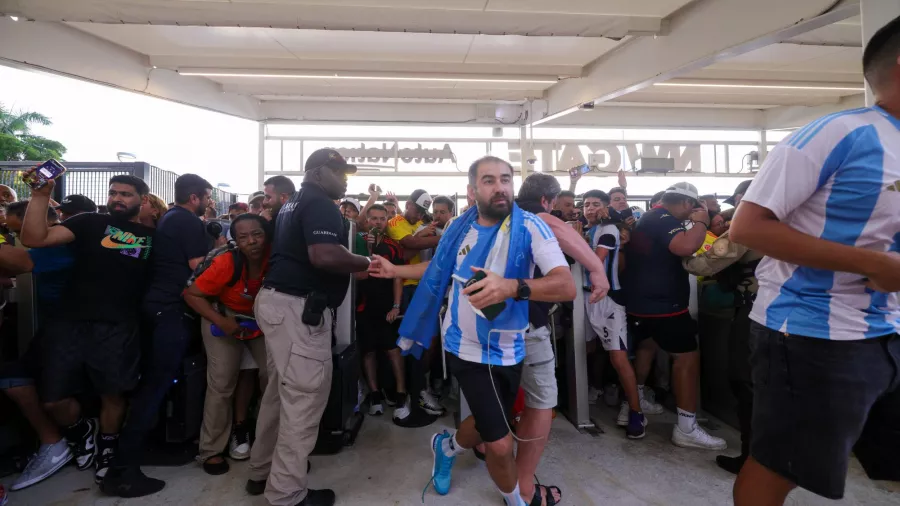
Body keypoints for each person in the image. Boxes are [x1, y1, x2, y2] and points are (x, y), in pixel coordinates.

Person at [728, 18, 900, 505]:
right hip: (810, 333)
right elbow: (748, 228)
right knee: (783, 464)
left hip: (886, 329)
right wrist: (875, 265)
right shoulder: (841, 133)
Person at [374, 156, 575, 506]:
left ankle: (447, 446)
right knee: (499, 443)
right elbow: (439, 267)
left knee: (487, 422)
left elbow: (565, 285)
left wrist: (513, 287)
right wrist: (394, 271)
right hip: (464, 346)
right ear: (472, 191)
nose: (500, 187)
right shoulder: (457, 228)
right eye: (489, 180)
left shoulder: (531, 227)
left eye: (505, 179)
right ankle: (518, 502)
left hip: (511, 346)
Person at [246, 148, 369, 506]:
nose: (345, 178)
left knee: (277, 394)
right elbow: (324, 255)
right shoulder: (319, 203)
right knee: (303, 398)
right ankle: (287, 493)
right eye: (339, 171)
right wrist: (366, 262)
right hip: (298, 309)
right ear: (317, 172)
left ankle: (263, 470)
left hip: (279, 304)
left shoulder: (295, 201)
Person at [20, 173, 154, 486]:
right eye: (113, 193)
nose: (117, 198)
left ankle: (108, 446)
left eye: (126, 194)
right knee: (53, 398)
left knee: (113, 393)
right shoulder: (88, 223)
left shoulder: (153, 238)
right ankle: (82, 431)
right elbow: (34, 239)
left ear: (142, 200)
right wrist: (41, 196)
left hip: (120, 324)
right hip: (70, 321)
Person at [101, 173, 213, 497]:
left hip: (155, 309)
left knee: (152, 387)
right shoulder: (189, 222)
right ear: (195, 198)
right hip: (170, 311)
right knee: (154, 388)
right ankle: (124, 470)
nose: (208, 203)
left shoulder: (170, 220)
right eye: (206, 197)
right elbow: (198, 268)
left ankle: (128, 460)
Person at [623, 182, 727, 450]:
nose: (691, 213)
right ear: (684, 203)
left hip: (641, 303)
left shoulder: (649, 217)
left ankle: (632, 405)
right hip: (664, 306)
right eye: (692, 208)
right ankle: (687, 427)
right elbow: (684, 248)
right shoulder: (663, 218)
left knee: (646, 347)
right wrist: (702, 223)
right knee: (687, 358)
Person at [682, 188, 762, 476]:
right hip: (788, 313)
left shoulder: (749, 226)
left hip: (755, 313)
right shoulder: (789, 219)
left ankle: (752, 459)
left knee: (745, 382)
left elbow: (703, 263)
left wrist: (690, 240)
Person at [183, 214, 271, 475]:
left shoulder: (276, 258)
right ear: (235, 240)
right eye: (243, 237)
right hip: (221, 316)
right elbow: (192, 294)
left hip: (260, 319)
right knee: (221, 383)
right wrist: (222, 322)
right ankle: (211, 450)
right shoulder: (225, 262)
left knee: (275, 377)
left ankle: (267, 439)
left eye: (257, 234)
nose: (252, 241)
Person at [0, 202, 74, 491]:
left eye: (15, 228)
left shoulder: (59, 243)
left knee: (52, 396)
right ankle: (52, 440)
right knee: (13, 378)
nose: (13, 234)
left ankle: (67, 438)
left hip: (68, 330)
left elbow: (20, 262)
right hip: (53, 329)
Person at [582, 190, 646, 439]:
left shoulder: (608, 229)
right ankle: (588, 393)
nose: (590, 208)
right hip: (585, 297)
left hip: (609, 300)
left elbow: (595, 262)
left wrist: (572, 240)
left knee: (618, 358)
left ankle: (636, 411)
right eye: (586, 204)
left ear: (606, 208)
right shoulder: (588, 231)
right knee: (585, 350)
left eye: (596, 204)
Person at [385, 189, 444, 418]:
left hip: (422, 286)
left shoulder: (417, 223)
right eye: (417, 209)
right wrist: (445, 236)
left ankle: (418, 388)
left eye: (423, 211)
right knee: (406, 342)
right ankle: (408, 392)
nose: (419, 214)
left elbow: (411, 248)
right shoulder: (396, 221)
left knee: (425, 340)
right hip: (404, 288)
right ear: (408, 204)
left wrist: (422, 239)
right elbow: (407, 246)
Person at [353, 204, 407, 418]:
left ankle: (402, 393)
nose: (376, 222)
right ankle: (375, 394)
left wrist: (396, 305)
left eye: (381, 219)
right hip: (363, 306)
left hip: (386, 306)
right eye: (372, 218)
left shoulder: (393, 246)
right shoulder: (356, 242)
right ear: (367, 220)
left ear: (387, 221)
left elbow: (398, 276)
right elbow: (356, 274)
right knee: (368, 351)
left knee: (392, 350)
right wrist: (367, 250)